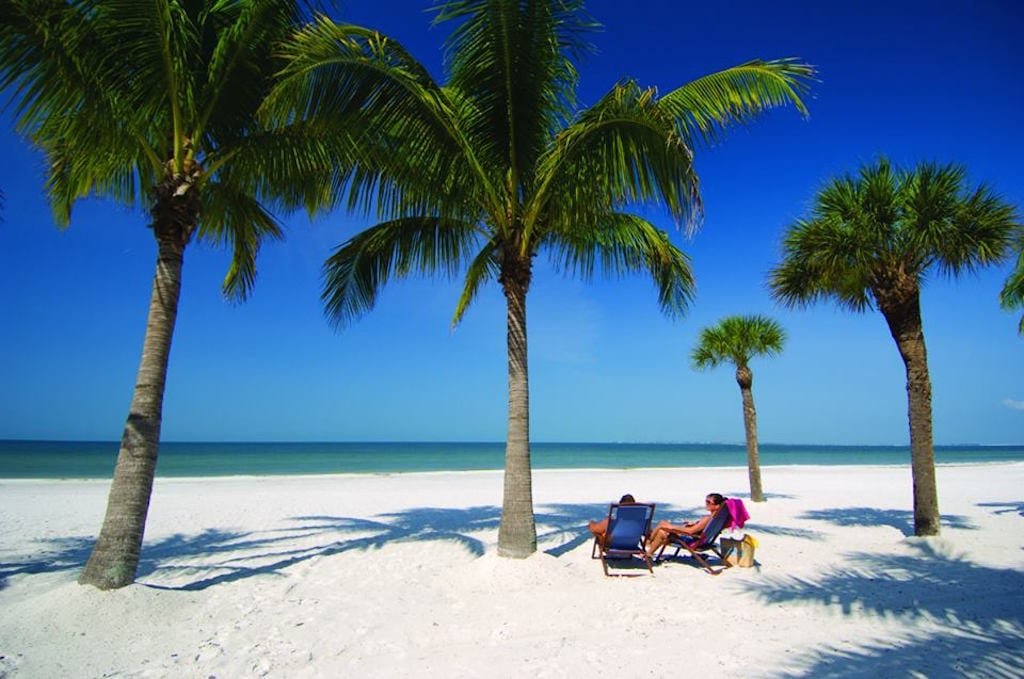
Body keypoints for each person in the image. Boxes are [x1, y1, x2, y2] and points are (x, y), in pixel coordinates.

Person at [645, 493, 725, 557]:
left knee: (662, 530)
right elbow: (700, 529)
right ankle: (649, 543)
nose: (706, 504)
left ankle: (649, 549)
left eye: (709, 502)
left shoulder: (707, 519)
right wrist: (695, 524)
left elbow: (691, 531)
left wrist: (672, 527)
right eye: (706, 501)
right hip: (699, 539)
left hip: (692, 540)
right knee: (663, 523)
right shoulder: (717, 518)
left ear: (717, 506)